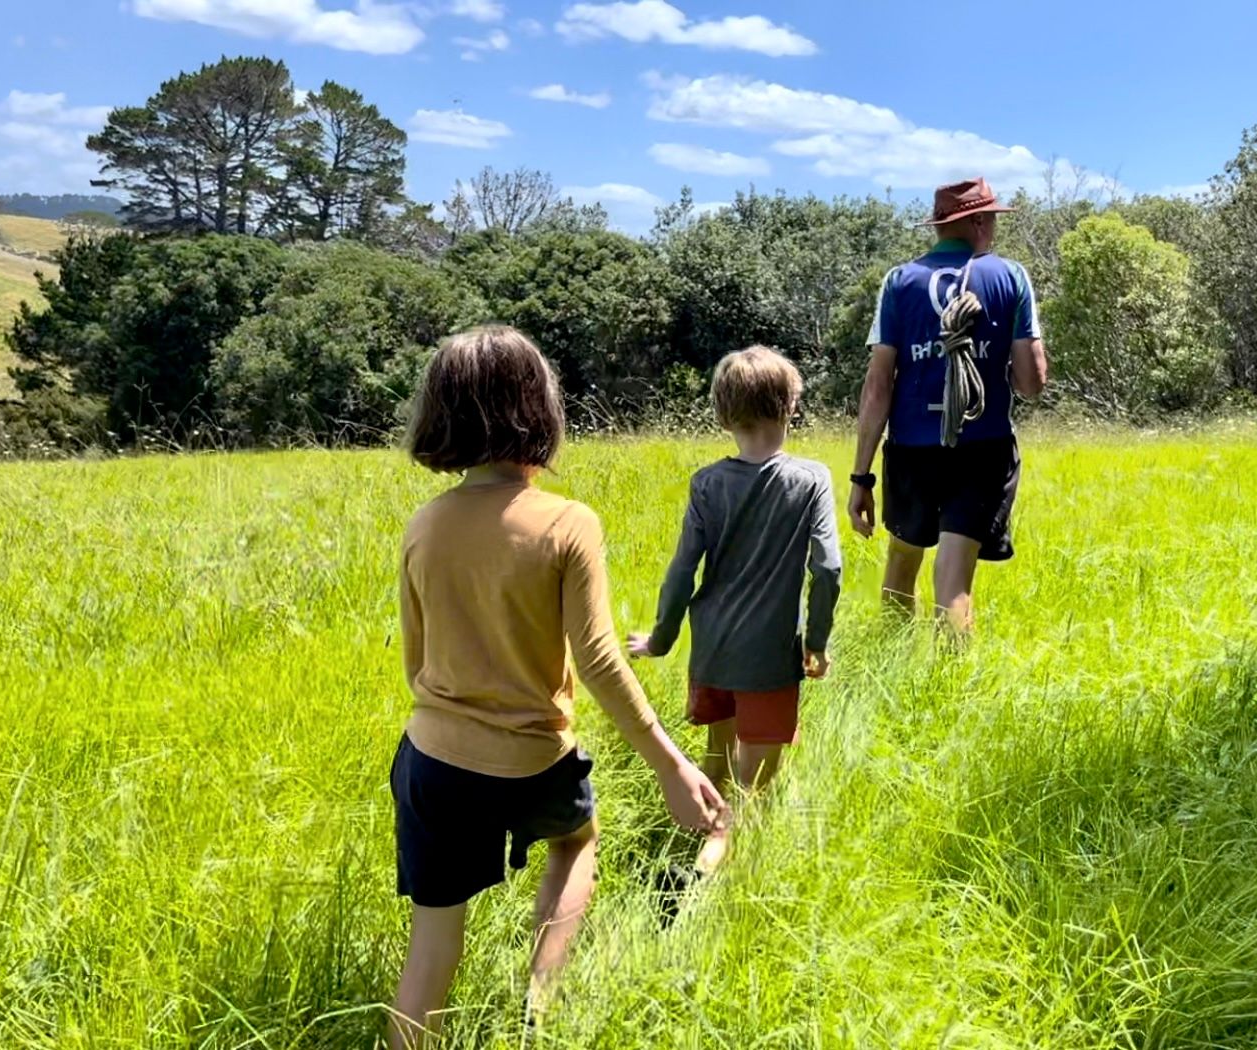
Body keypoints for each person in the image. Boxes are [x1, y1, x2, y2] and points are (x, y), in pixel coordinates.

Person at [388, 326, 728, 1049]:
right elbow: (599, 660)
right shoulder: (568, 523)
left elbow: (417, 666)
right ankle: (538, 1000)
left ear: (441, 414)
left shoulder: (424, 526)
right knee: (575, 844)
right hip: (535, 761)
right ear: (539, 410)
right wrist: (672, 765)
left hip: (434, 765)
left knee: (432, 945)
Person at [628, 346, 843, 874]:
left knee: (718, 757)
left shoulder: (706, 483)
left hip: (712, 647)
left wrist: (660, 640)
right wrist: (814, 643)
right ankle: (699, 874)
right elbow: (829, 569)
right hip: (768, 658)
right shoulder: (810, 479)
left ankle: (693, 837)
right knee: (751, 795)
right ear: (791, 406)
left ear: (724, 415)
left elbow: (682, 572)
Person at [848, 177, 1048, 632]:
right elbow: (1031, 383)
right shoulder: (1011, 277)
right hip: (982, 446)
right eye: (992, 217)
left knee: (901, 563)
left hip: (912, 449)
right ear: (977, 220)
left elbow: (878, 386)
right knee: (954, 582)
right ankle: (949, 691)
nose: (995, 225)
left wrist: (861, 476)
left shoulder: (899, 282)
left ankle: (892, 669)